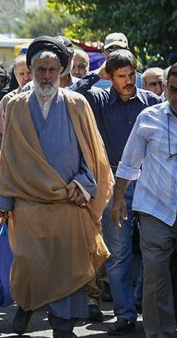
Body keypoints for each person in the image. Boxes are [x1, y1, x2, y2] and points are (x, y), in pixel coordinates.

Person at [0, 36, 113, 338]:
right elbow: (8, 156)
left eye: (52, 70)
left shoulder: (77, 103)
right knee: (30, 264)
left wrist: (85, 184)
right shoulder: (16, 105)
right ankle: (27, 305)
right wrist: (4, 203)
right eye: (40, 70)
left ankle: (63, 325)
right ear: (31, 70)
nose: (46, 76)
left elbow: (94, 153)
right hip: (29, 205)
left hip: (68, 202)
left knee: (67, 267)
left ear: (62, 70)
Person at [70, 47, 163, 334]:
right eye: (121, 75)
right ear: (110, 77)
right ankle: (124, 315)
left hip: (149, 183)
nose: (128, 81)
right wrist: (97, 73)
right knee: (120, 252)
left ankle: (140, 301)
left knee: (155, 250)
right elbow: (75, 91)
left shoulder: (149, 101)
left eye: (132, 74)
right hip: (113, 186)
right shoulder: (98, 100)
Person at [111, 63, 177, 338]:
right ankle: (158, 333)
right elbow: (129, 162)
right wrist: (118, 199)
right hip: (155, 210)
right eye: (173, 89)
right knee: (155, 277)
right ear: (165, 88)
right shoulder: (149, 117)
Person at [0, 54, 32, 143]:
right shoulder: (8, 100)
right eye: (22, 74)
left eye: (29, 73)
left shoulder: (44, 99)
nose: (26, 78)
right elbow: (0, 133)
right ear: (16, 75)